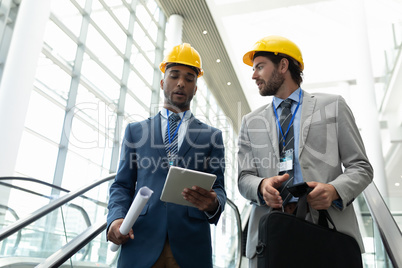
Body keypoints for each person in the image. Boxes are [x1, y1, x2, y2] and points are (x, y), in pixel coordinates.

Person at [237, 35, 373, 267]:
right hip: (272, 235)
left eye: (260, 67)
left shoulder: (333, 106)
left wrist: (334, 190)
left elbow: (361, 167)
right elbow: (243, 177)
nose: (253, 75)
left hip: (327, 231)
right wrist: (261, 186)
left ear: (283, 65)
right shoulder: (251, 121)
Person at [107, 43, 226, 268]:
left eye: (190, 78)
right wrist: (116, 218)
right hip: (141, 240)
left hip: (190, 247)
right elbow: (122, 185)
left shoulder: (212, 136)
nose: (181, 83)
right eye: (174, 76)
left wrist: (212, 203)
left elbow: (219, 189)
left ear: (196, 89)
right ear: (163, 82)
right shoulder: (136, 131)